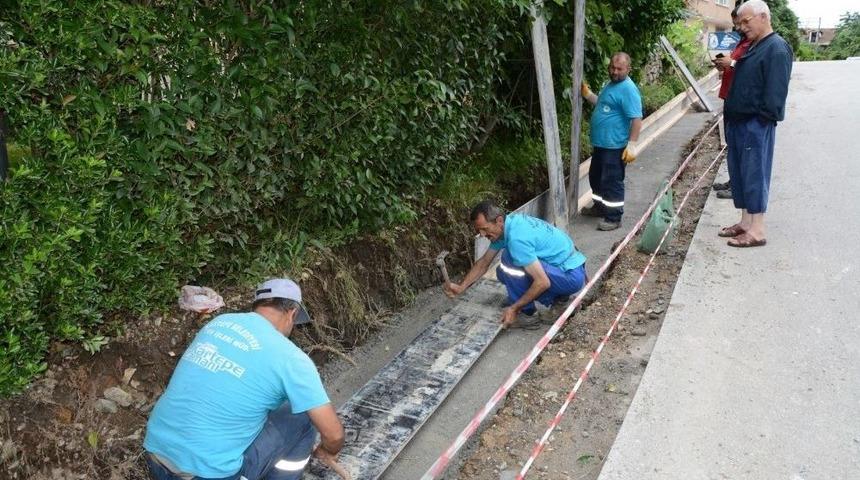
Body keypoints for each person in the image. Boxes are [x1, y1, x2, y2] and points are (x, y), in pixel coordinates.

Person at [144, 278, 345, 480]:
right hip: (209, 475)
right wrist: (327, 452)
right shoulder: (291, 358)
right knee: (302, 416)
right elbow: (333, 434)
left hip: (156, 459)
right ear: (292, 313)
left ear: (257, 306)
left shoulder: (218, 323)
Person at [443, 200, 587, 329]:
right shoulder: (509, 225)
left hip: (570, 276)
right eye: (479, 230)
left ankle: (528, 314)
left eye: (484, 229)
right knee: (502, 271)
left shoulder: (517, 239)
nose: (481, 234)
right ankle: (561, 300)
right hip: (570, 268)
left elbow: (542, 282)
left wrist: (514, 308)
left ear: (498, 221)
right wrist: (462, 286)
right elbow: (484, 262)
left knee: (509, 259)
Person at [720, 0, 793, 248]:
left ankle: (757, 230)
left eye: (745, 21)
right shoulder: (753, 45)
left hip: (755, 124)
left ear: (763, 16)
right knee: (740, 174)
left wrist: (760, 120)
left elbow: (775, 94)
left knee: (754, 174)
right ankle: (745, 222)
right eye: (739, 22)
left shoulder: (776, 48)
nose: (741, 27)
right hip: (739, 121)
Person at [580, 52, 644, 231]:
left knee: (612, 181)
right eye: (612, 68)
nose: (614, 72)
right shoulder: (611, 85)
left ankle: (614, 217)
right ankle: (600, 208)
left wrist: (632, 145)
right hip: (601, 144)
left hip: (615, 146)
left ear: (628, 69)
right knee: (596, 177)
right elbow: (603, 104)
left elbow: (637, 118)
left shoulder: (628, 89)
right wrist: (588, 94)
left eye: (619, 69)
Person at [712, 6, 753, 201]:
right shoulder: (742, 42)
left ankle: (738, 186)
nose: (738, 26)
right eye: (736, 22)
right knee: (732, 144)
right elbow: (737, 64)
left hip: (739, 100)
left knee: (739, 145)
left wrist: (732, 64)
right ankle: (733, 181)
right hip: (730, 96)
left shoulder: (754, 44)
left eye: (740, 22)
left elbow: (748, 67)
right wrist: (724, 66)